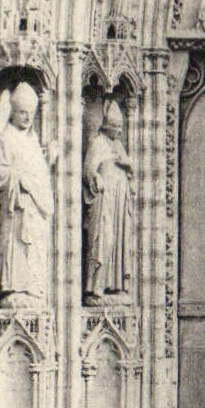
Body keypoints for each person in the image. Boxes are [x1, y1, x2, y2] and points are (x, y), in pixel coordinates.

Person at [0, 82, 56, 303]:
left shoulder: (33, 140)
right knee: (16, 246)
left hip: (35, 206)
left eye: (31, 113)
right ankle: (13, 289)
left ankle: (33, 289)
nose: (28, 118)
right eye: (23, 113)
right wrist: (18, 176)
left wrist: (48, 161)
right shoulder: (5, 138)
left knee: (35, 248)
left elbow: (38, 174)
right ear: (13, 112)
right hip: (16, 205)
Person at [83, 101, 134, 300]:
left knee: (119, 244)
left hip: (119, 204)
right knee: (103, 242)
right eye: (116, 128)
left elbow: (131, 169)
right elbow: (88, 169)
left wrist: (127, 164)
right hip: (104, 202)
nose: (119, 133)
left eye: (121, 128)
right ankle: (95, 289)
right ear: (107, 126)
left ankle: (116, 286)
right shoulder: (98, 143)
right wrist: (95, 177)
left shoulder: (118, 145)